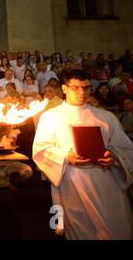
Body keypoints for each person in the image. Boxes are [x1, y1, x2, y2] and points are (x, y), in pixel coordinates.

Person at [33, 69, 133, 240]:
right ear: (64, 88)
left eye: (86, 88)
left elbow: (126, 148)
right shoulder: (50, 117)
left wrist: (114, 156)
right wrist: (65, 156)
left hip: (106, 180)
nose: (82, 92)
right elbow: (40, 150)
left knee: (114, 230)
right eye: (76, 88)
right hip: (71, 180)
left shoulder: (106, 117)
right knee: (81, 229)